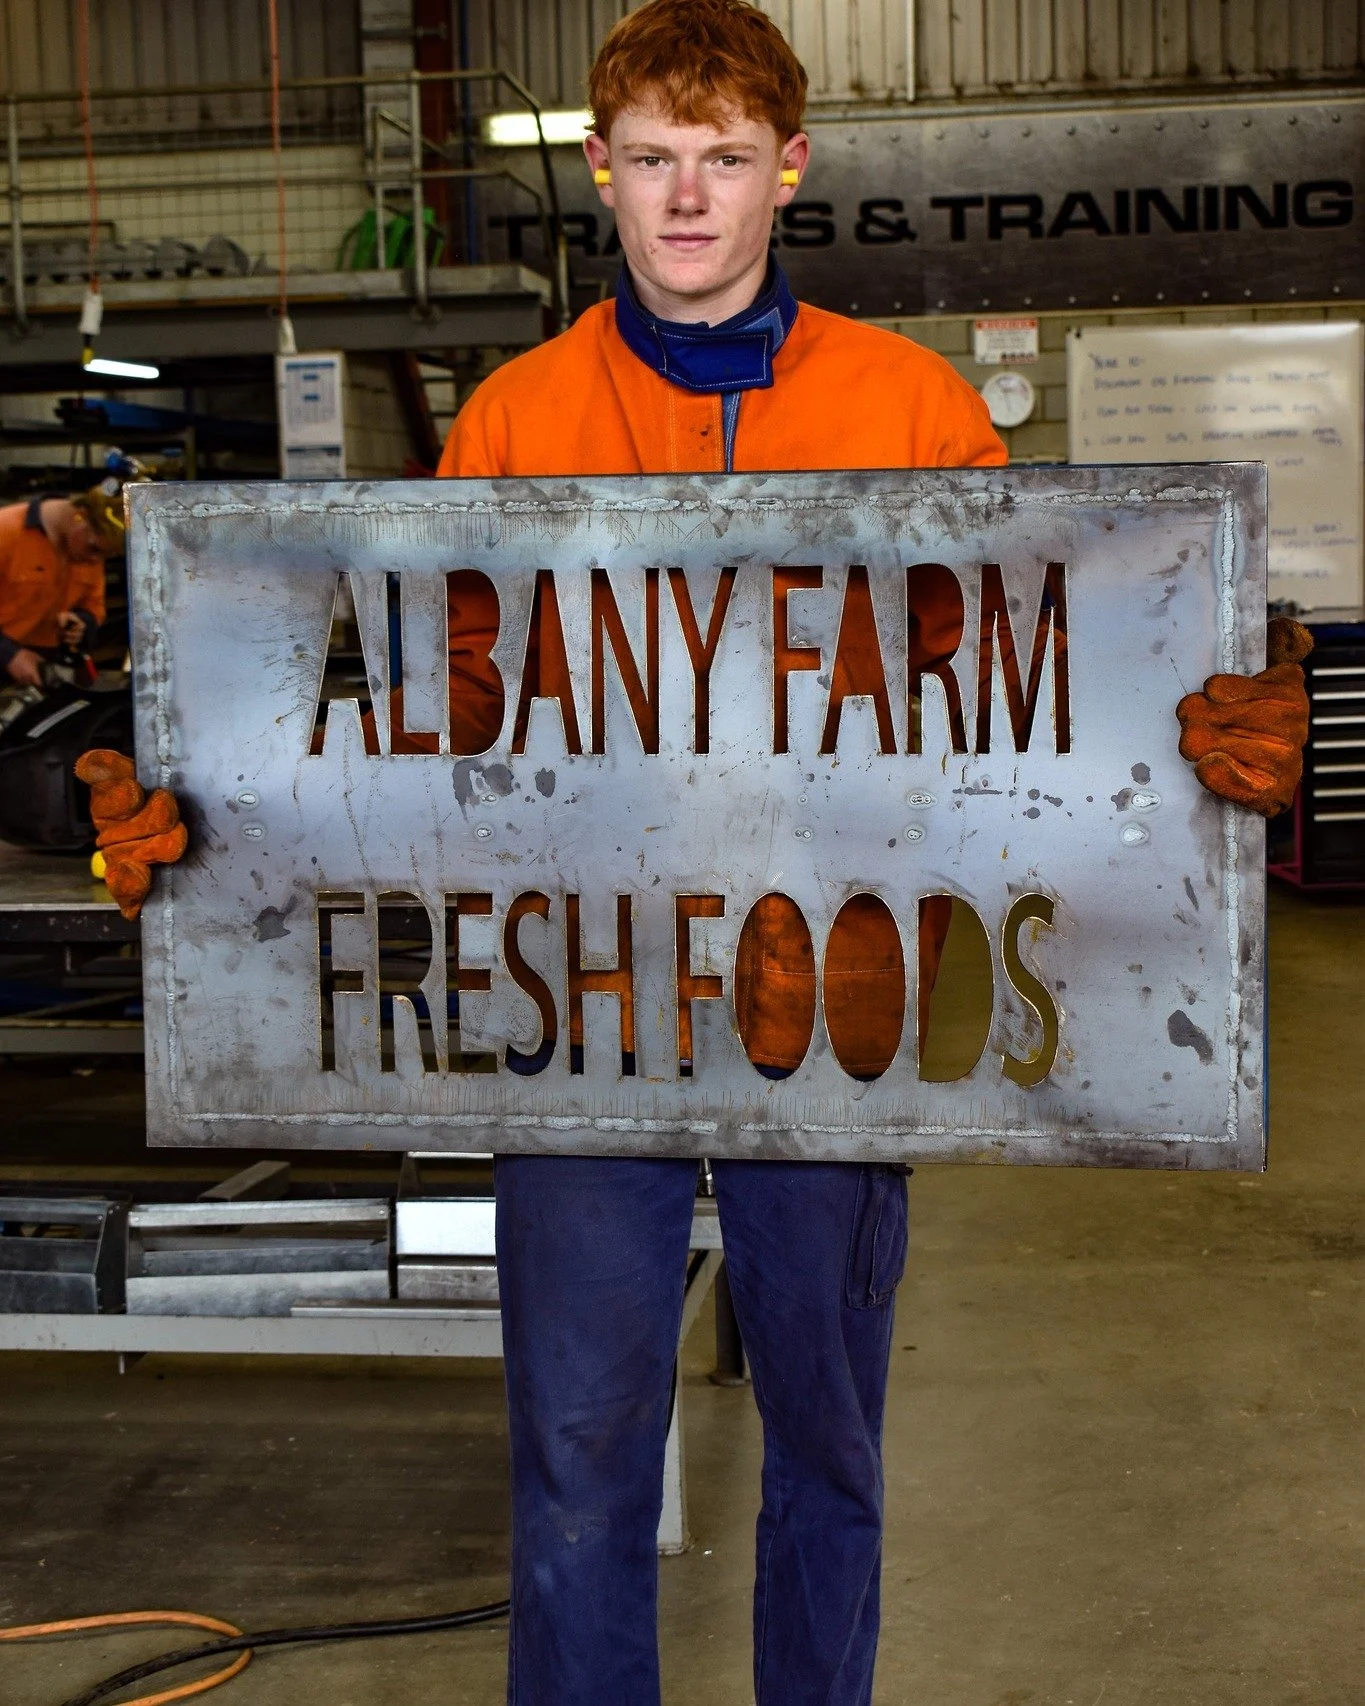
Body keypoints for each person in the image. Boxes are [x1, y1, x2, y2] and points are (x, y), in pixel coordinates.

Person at [79, 2, 1311, 1699]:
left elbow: (1029, 702)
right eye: (652, 160)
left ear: (787, 168)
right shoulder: (514, 421)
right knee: (579, 1450)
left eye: (723, 160)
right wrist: (207, 828)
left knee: (828, 1439)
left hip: (844, 989)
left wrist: (1202, 741)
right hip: (578, 994)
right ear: (598, 167)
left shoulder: (913, 411)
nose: (684, 198)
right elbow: (440, 739)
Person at [0, 490, 118, 689]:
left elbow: (94, 604)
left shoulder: (87, 550)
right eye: (95, 549)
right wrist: (8, 655)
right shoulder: (5, 532)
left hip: (44, 668)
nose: (96, 561)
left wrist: (82, 623)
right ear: (79, 517)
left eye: (106, 555)